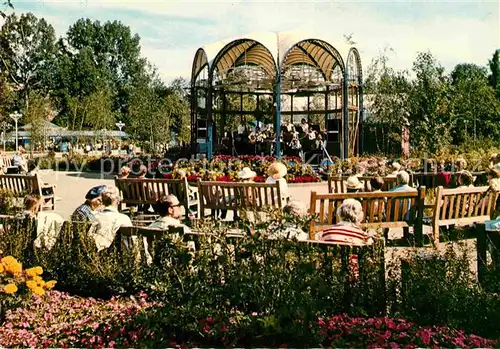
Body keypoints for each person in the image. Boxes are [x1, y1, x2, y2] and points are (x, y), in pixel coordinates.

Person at [92, 186, 132, 251]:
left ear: (102, 201)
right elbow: (133, 243)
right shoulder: (124, 219)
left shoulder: (93, 216)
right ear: (118, 201)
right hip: (116, 257)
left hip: (93, 254)